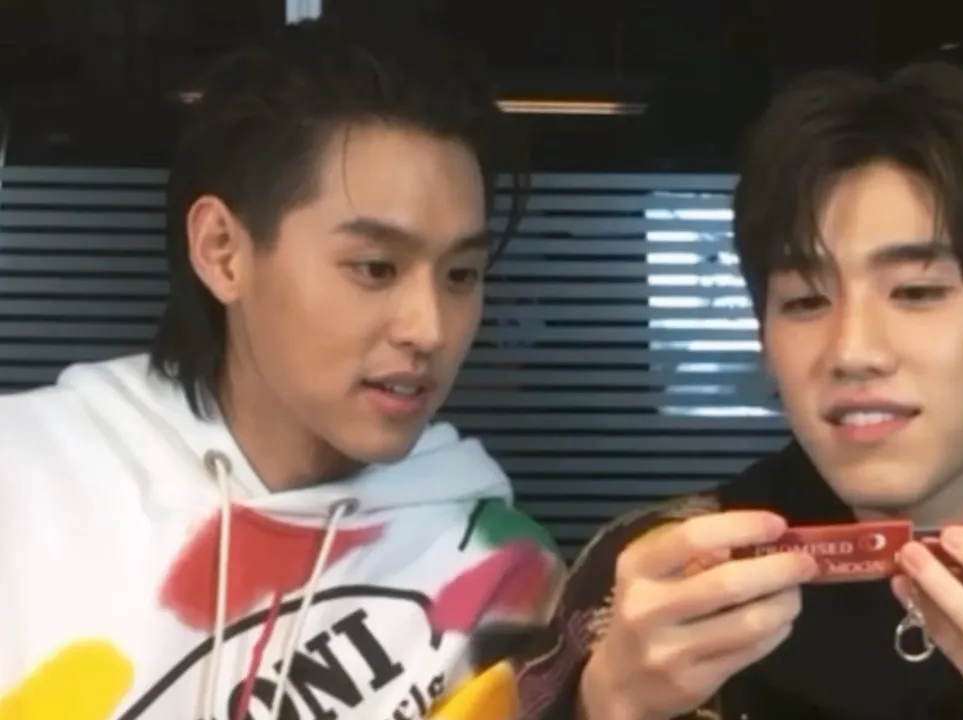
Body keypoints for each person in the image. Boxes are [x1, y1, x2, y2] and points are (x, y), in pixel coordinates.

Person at [513, 62, 963, 719]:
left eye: (917, 292)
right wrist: (603, 704)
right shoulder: (661, 571)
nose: (852, 352)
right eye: (804, 300)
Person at [0, 16, 563, 720]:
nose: (429, 329)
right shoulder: (26, 479)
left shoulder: (496, 573)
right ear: (223, 252)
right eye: (375, 268)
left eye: (461, 275)